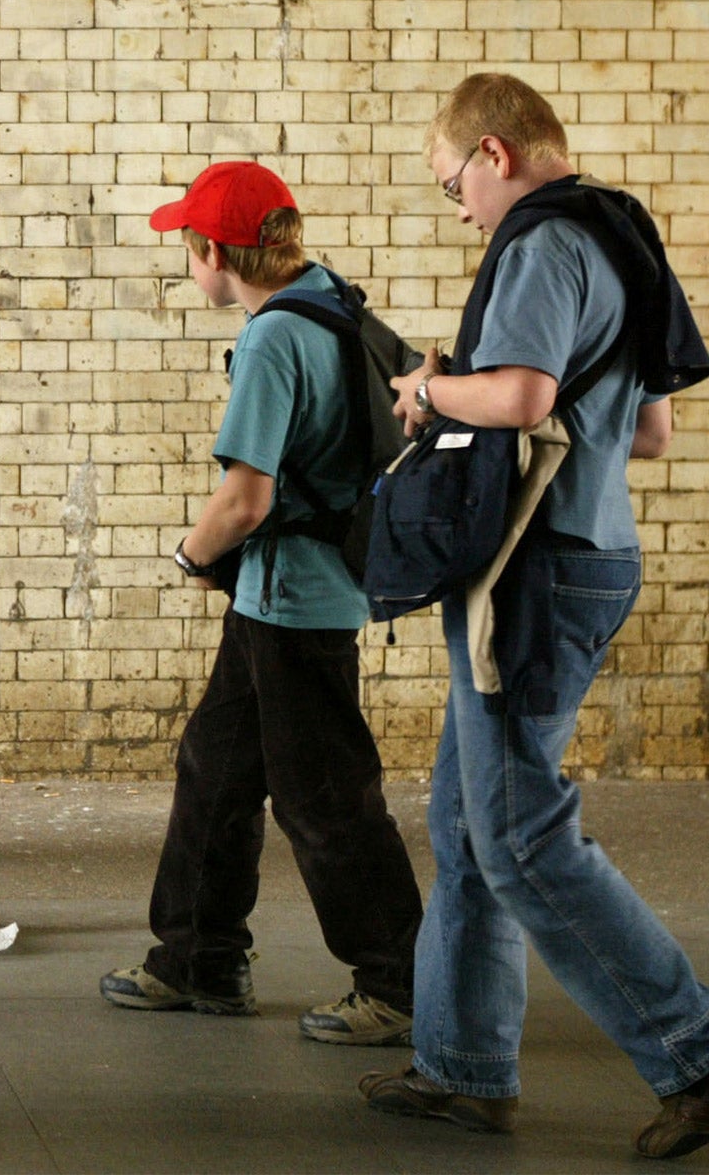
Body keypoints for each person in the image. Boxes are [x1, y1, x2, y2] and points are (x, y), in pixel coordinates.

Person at [358, 74, 709, 1158]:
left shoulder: (542, 243)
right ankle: (463, 1067)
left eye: (452, 183)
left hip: (537, 567)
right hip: (591, 550)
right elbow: (644, 434)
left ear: (495, 153)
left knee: (514, 835)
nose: (458, 208)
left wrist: (423, 394)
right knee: (466, 818)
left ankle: (690, 1053)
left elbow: (514, 396)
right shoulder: (620, 238)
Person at [99, 161, 424, 1045]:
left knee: (324, 798)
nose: (186, 262)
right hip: (289, 589)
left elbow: (246, 498)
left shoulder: (277, 336)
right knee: (215, 768)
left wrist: (190, 554)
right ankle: (196, 959)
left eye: (186, 247)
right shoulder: (332, 298)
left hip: (296, 595)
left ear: (214, 250)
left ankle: (399, 984)